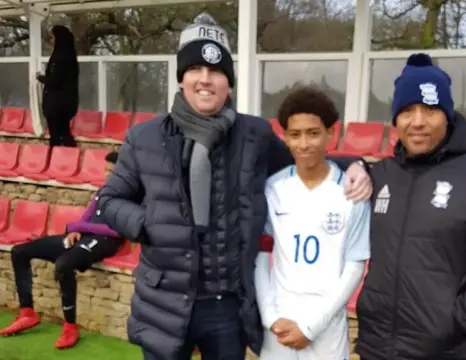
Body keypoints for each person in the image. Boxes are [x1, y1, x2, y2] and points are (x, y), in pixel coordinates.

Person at [96, 13, 372, 360]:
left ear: (229, 82)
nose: (205, 80)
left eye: (216, 72)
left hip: (226, 308)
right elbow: (109, 201)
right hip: (164, 299)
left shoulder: (253, 134)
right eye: (195, 69)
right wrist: (146, 224)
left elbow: (303, 158)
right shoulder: (144, 137)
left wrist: (356, 165)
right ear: (181, 78)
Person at [355, 53, 466, 360]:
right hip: (378, 347)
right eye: (407, 111)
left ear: (448, 115)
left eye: (430, 110)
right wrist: (352, 163)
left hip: (449, 350)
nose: (418, 122)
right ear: (395, 119)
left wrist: (459, 318)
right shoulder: (381, 175)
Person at [254, 86, 370, 360]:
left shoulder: (353, 193)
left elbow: (354, 268)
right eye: (295, 135)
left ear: (332, 133)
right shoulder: (273, 188)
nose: (303, 144)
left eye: (313, 133)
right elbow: (261, 256)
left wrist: (311, 327)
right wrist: (270, 318)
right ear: (284, 137)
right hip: (279, 326)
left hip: (326, 329)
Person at [0, 151, 123, 349]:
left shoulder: (129, 196)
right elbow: (87, 216)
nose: (107, 175)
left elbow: (116, 230)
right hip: (85, 237)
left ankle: (70, 327)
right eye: (106, 170)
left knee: (63, 265)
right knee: (19, 251)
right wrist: (76, 229)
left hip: (105, 242)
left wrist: (80, 228)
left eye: (112, 171)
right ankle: (27, 312)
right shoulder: (102, 190)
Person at [37, 25, 79, 148]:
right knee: (63, 133)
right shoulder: (70, 55)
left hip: (58, 104)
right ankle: (64, 157)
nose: (51, 40)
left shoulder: (61, 57)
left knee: (58, 135)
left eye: (52, 37)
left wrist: (41, 78)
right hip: (64, 103)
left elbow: (56, 79)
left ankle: (58, 159)